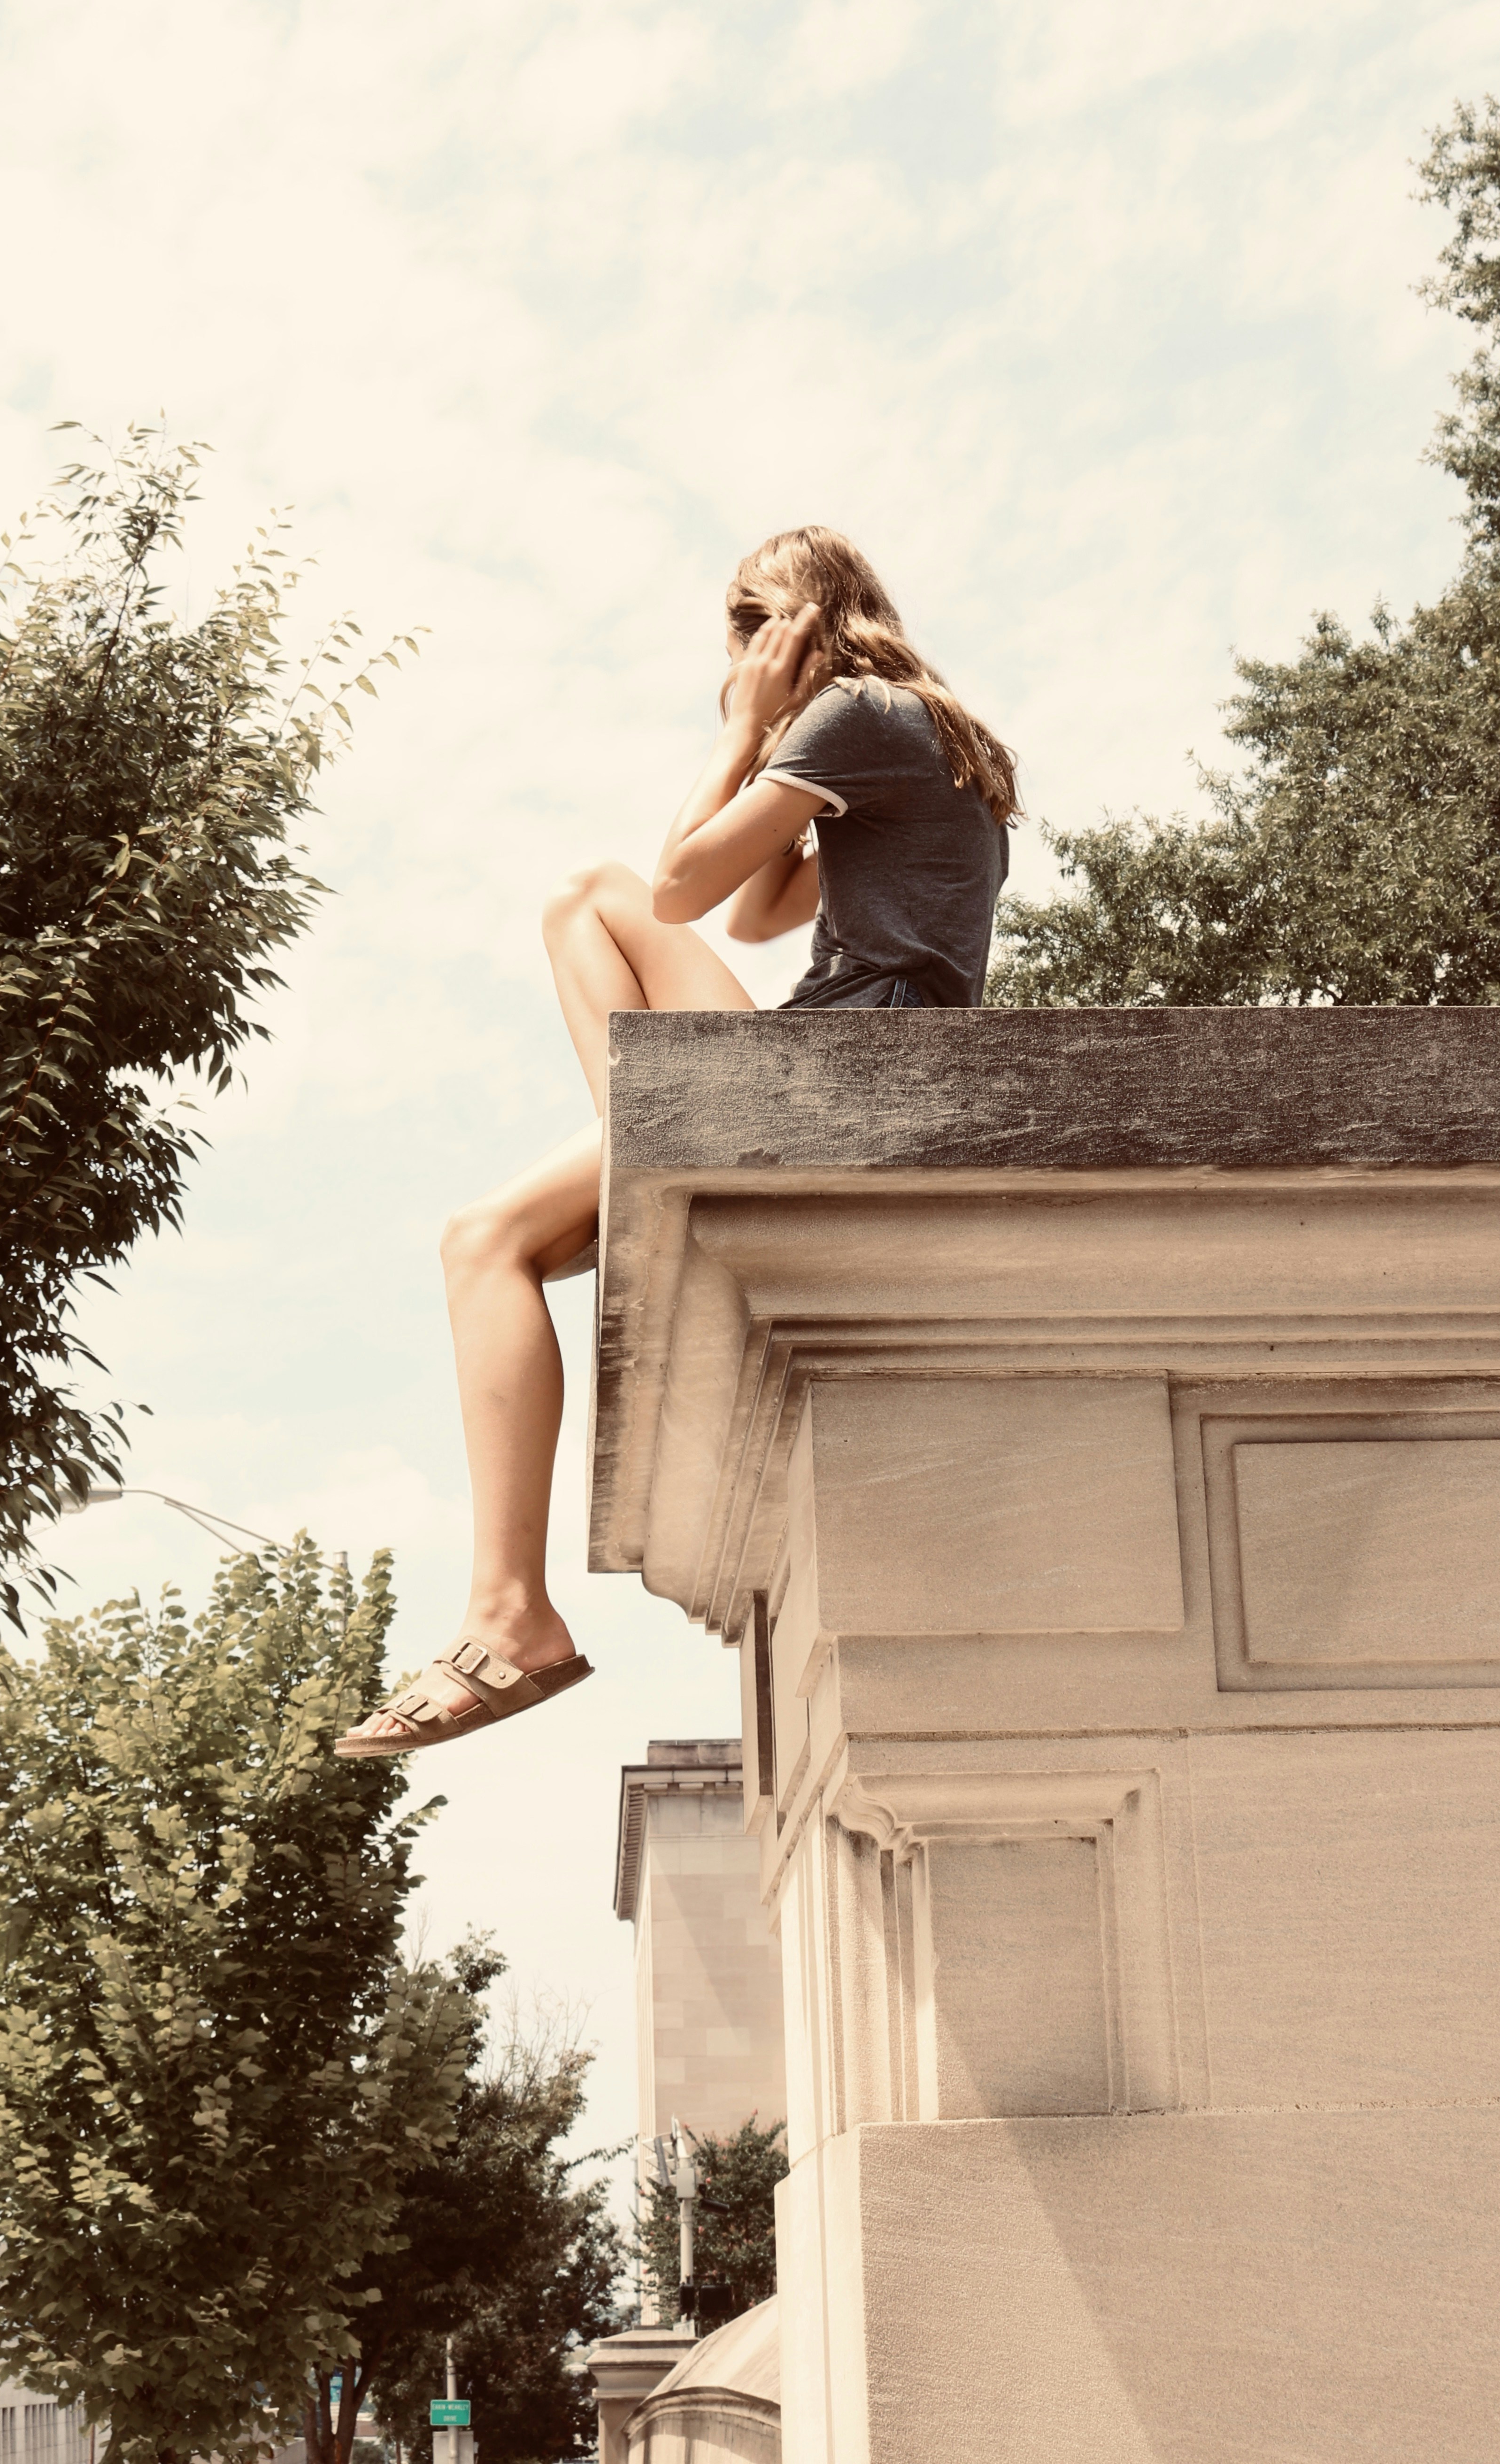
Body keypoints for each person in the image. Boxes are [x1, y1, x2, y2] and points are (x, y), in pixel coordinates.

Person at [335, 526, 1019, 1757]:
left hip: (844, 1080)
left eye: (761, 622)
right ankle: (512, 1612)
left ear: (820, 616)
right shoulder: (927, 741)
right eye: (735, 635)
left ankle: (653, 1174)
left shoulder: (864, 708)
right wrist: (767, 746)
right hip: (859, 1068)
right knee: (484, 1242)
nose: (744, 653)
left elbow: (678, 890)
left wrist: (737, 732)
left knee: (583, 897)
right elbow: (762, 902)